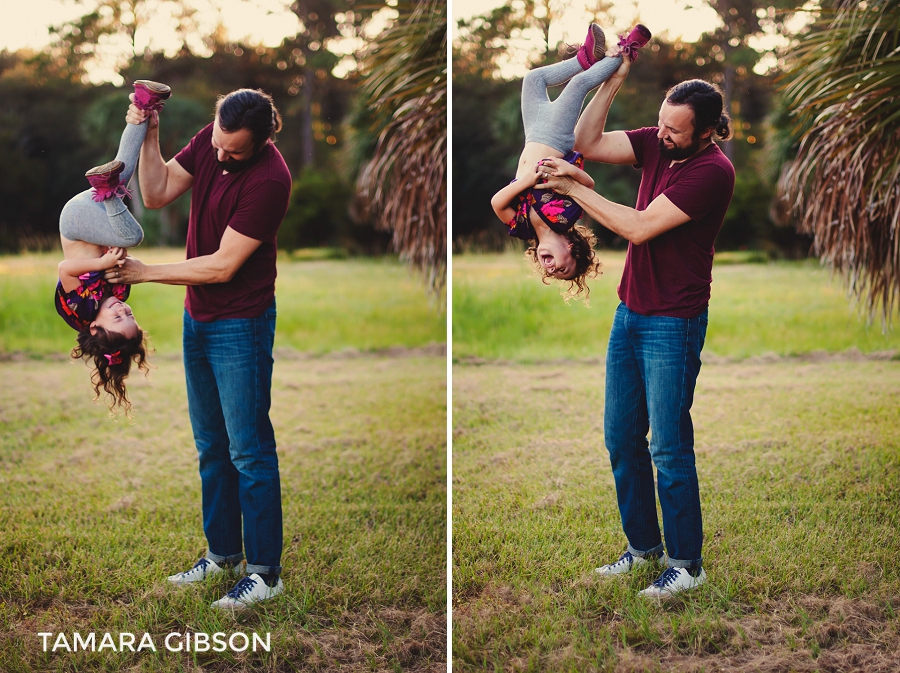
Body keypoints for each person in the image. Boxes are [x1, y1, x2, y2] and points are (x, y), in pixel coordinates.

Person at [538, 70, 736, 597]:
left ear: (707, 131)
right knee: (621, 439)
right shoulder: (656, 144)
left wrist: (572, 190)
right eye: (661, 124)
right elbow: (586, 142)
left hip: (675, 321)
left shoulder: (713, 172)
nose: (662, 135)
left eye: (675, 131)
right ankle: (643, 550)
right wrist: (616, 78)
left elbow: (640, 226)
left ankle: (687, 566)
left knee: (668, 447)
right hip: (631, 313)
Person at [109, 88, 292, 609]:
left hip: (242, 324)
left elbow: (221, 265)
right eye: (217, 142)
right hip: (199, 319)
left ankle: (264, 573)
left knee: (248, 451)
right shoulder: (211, 142)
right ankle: (222, 556)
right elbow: (158, 190)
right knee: (211, 448)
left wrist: (146, 273)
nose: (220, 155)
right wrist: (150, 133)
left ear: (261, 142)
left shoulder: (270, 180)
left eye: (233, 151)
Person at [490, 23, 651, 300]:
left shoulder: (522, 227)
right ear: (570, 248)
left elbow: (497, 203)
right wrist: (566, 169)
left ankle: (583, 59)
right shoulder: (564, 218)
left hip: (533, 133)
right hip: (555, 139)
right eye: (563, 270)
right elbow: (588, 184)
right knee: (578, 85)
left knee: (533, 79)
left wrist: (526, 181)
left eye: (550, 273)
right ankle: (625, 50)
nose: (551, 270)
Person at [55, 80, 170, 415]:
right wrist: (120, 262)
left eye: (117, 318)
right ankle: (144, 105)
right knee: (124, 170)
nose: (123, 310)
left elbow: (65, 269)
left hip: (76, 221)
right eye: (129, 315)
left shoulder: (79, 309)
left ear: (95, 327)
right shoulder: (118, 293)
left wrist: (105, 261)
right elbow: (121, 261)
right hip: (98, 216)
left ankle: (107, 187)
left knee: (133, 233)